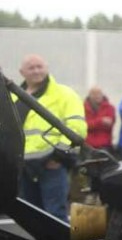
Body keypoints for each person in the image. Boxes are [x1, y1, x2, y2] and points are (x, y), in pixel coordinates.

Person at [12, 54, 86, 221]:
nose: (36, 71)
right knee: (31, 219)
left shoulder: (65, 94)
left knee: (55, 217)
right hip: (23, 168)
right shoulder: (14, 97)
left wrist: (59, 157)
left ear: (47, 68)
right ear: (21, 72)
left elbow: (77, 128)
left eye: (40, 67)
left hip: (52, 166)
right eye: (31, 68)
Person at [84, 86, 116, 151]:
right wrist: (101, 121)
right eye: (94, 94)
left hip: (104, 145)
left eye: (99, 94)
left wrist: (93, 123)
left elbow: (109, 125)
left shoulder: (110, 108)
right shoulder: (83, 108)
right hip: (88, 145)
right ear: (89, 95)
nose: (97, 96)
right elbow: (85, 125)